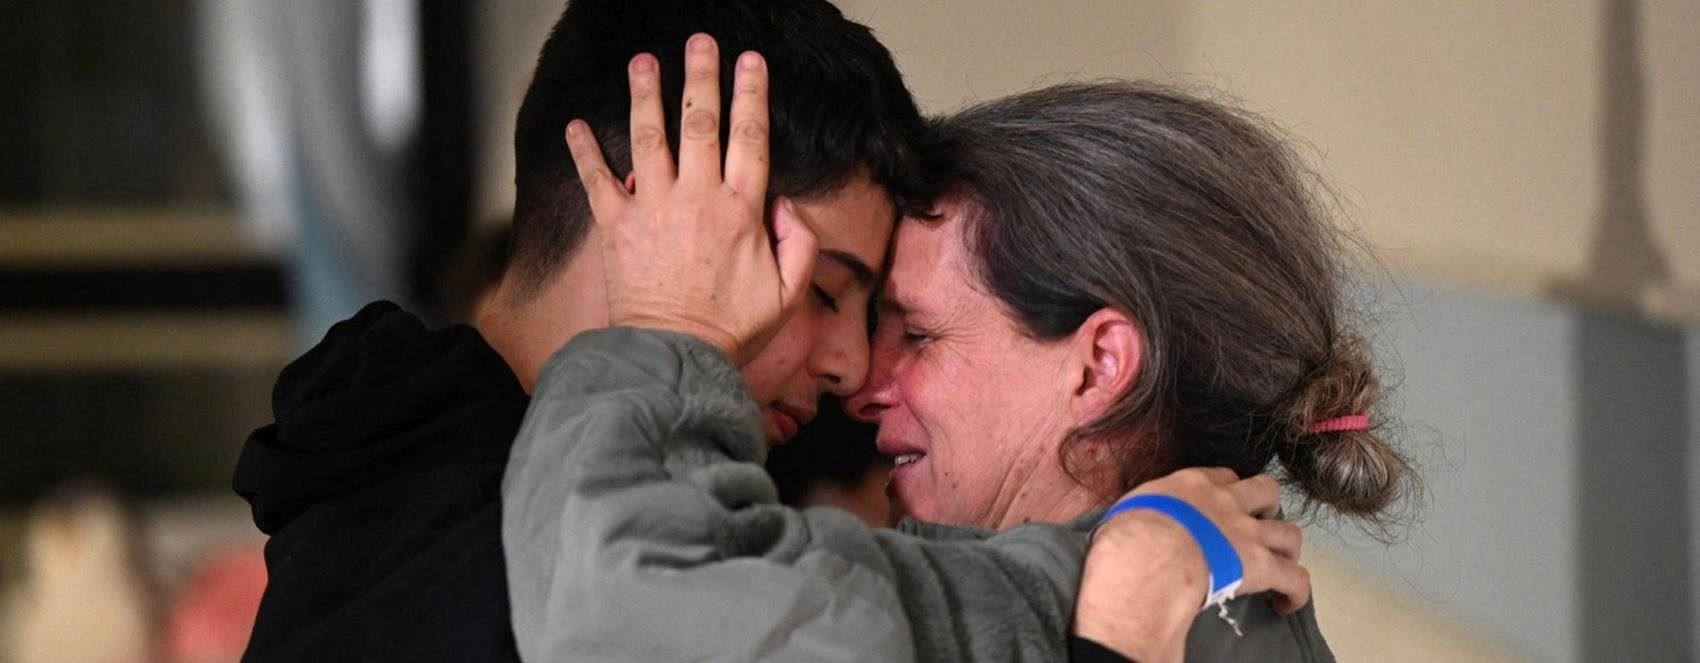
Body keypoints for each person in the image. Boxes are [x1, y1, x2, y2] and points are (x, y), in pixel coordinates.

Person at [235, 1, 1296, 661]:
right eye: (826, 290)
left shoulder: (408, 475)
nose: (850, 368)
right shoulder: (485, 579)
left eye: (899, 327)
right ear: (665, 221)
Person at [501, 34, 1355, 663]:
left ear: (1098, 365)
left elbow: (629, 601)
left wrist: (666, 321)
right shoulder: (1204, 605)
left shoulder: (1111, 608)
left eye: (916, 333)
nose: (861, 383)